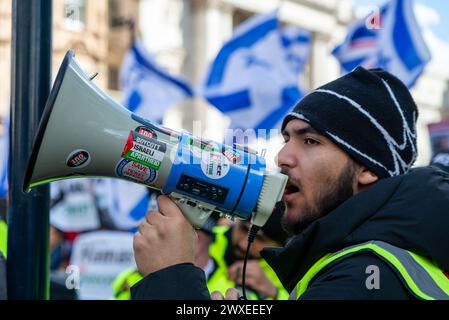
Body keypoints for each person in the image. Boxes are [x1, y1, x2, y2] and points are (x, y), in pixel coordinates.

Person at [131, 67, 449, 300]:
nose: (283, 156)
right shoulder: (357, 261)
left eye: (310, 141)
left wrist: (170, 278)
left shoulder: (367, 274)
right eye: (287, 139)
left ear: (367, 168)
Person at [113, 207, 288, 300]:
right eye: (243, 230)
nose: (244, 242)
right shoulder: (212, 236)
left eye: (260, 239)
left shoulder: (280, 270)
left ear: (278, 245)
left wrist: (272, 293)